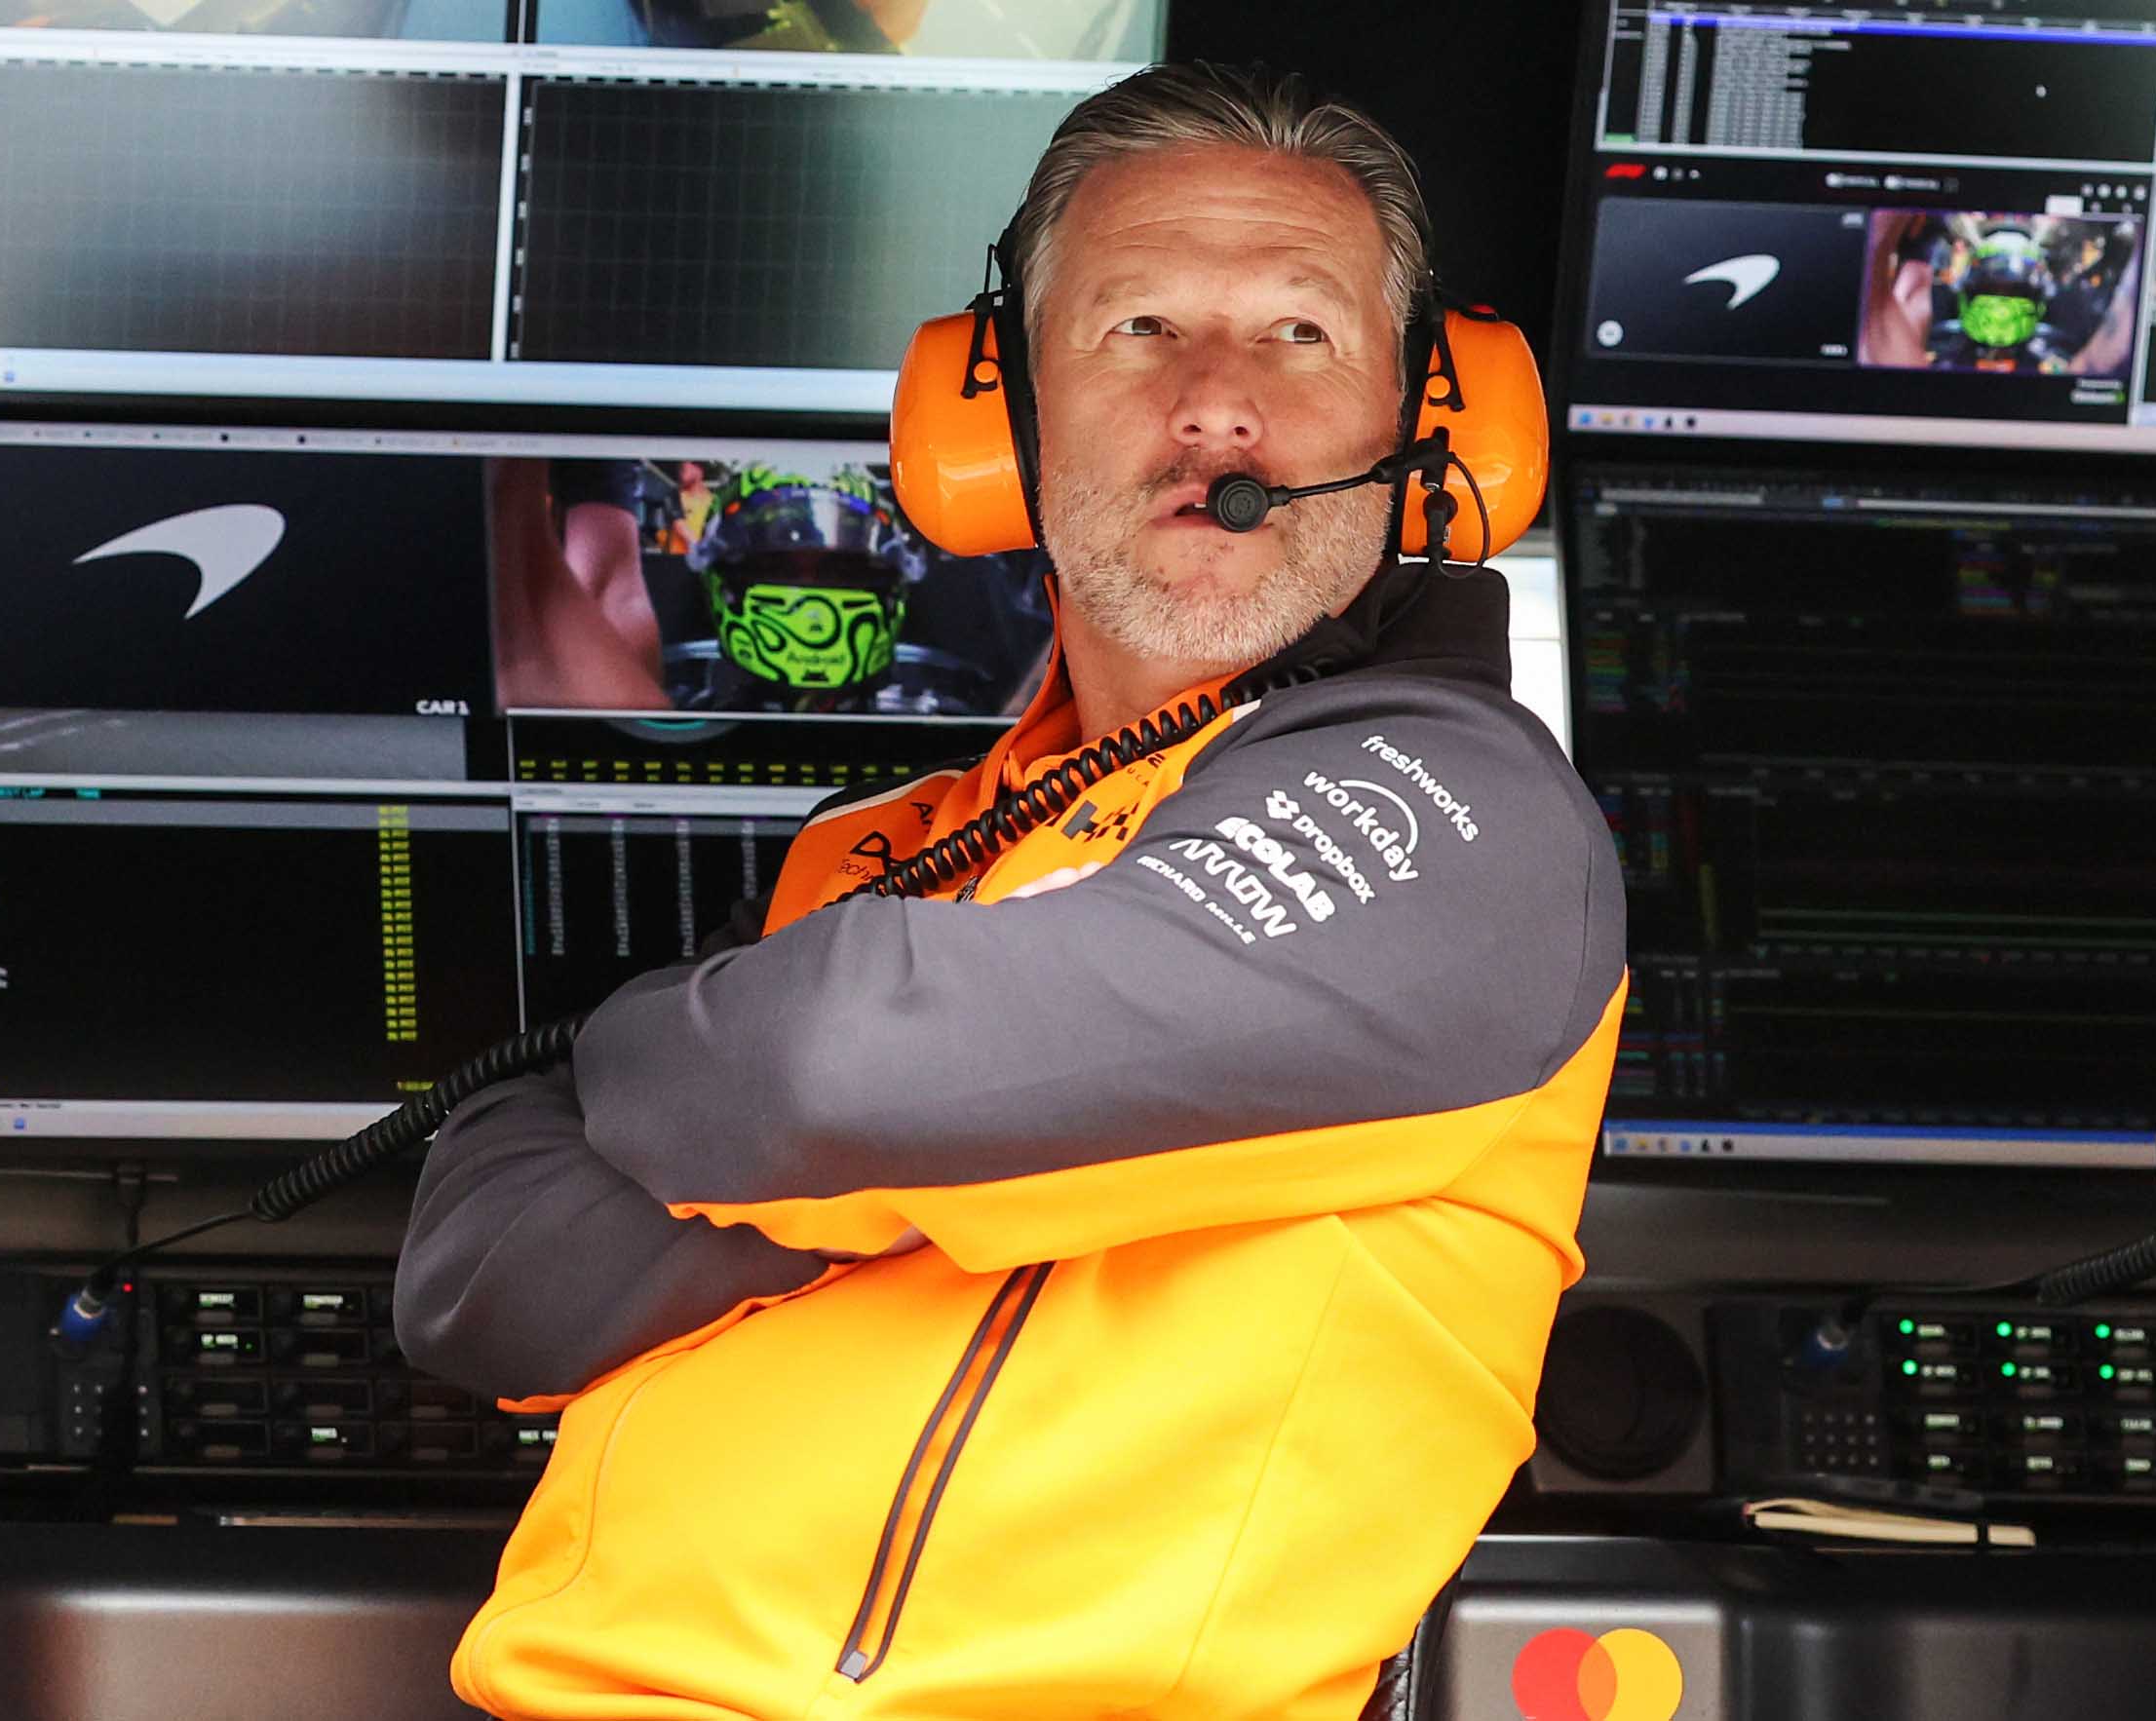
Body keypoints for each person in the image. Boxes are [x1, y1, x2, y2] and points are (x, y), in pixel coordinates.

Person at [395, 63, 1625, 1720]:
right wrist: (875, 1141)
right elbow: (478, 1270)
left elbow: (830, 1071)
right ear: (998, 420)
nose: (1215, 408)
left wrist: (747, 1130)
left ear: (1433, 428)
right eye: (1136, 329)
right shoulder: (879, 844)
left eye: (1300, 334)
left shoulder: (1469, 830)